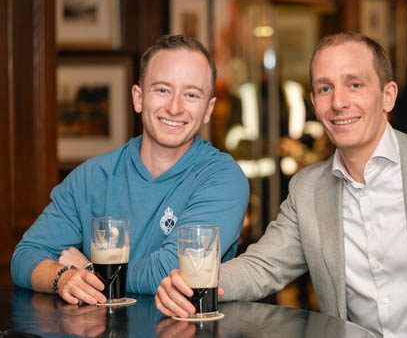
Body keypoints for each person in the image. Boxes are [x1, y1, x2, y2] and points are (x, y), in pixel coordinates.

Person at [155, 32, 407, 337]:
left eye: (355, 85)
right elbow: (263, 266)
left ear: (388, 96)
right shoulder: (308, 189)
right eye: (325, 88)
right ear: (315, 103)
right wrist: (197, 279)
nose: (338, 102)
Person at [11, 35, 249, 306]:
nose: (174, 107)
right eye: (162, 90)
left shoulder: (222, 178)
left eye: (191, 95)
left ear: (208, 110)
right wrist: (62, 276)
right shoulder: (92, 176)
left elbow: (173, 272)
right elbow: (26, 256)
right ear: (138, 98)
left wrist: (89, 271)